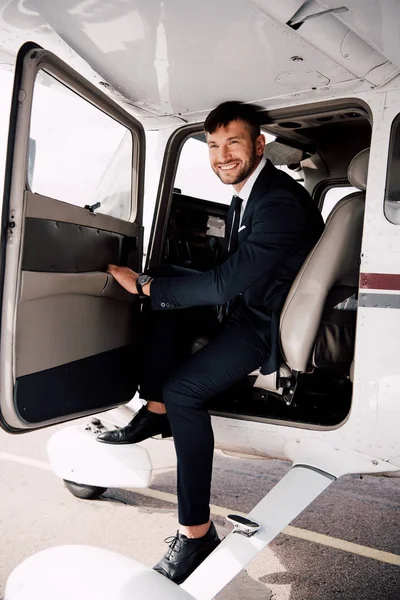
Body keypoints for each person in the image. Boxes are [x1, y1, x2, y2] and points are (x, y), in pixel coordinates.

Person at [97, 101, 324, 583]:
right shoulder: (253, 192)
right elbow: (228, 275)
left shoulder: (278, 202)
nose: (222, 155)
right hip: (252, 304)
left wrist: (143, 286)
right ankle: (153, 412)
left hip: (265, 324)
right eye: (214, 145)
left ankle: (196, 535)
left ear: (259, 145)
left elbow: (224, 285)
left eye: (234, 143)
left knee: (185, 388)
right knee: (166, 282)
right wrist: (157, 283)